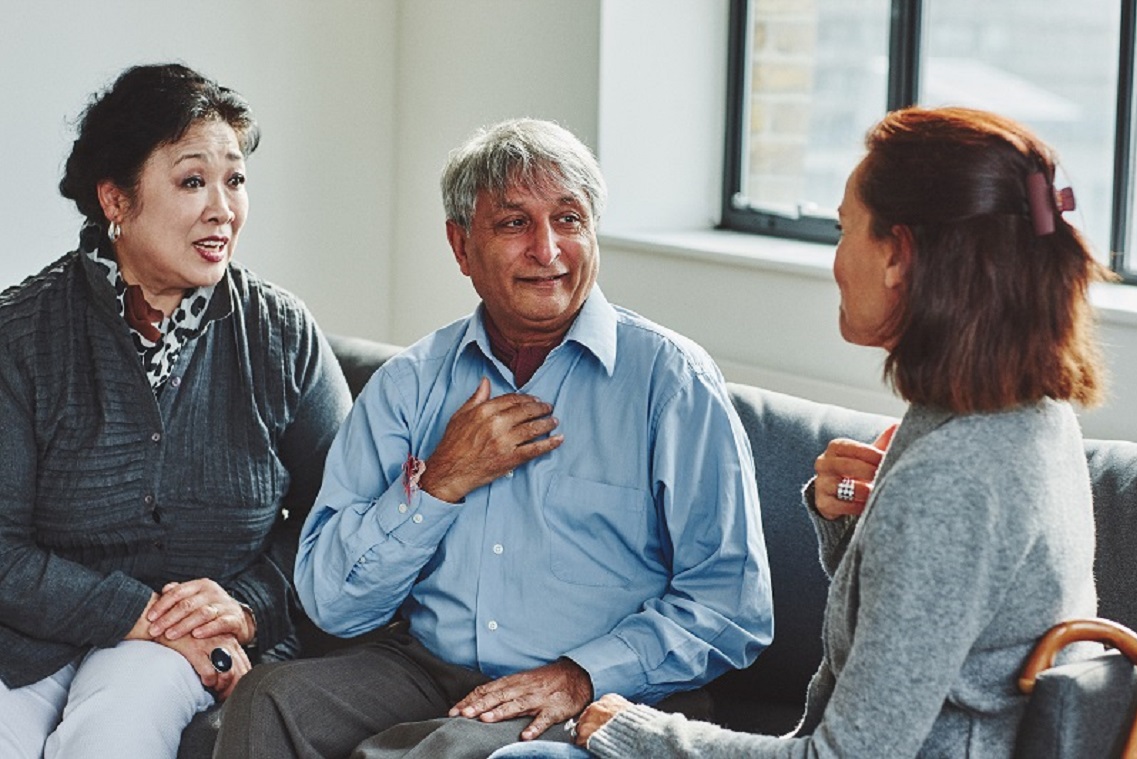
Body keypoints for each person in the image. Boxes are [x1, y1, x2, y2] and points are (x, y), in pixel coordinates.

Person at [493, 106, 1108, 758]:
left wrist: (630, 728)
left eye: (845, 230)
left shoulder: (952, 478)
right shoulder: (1028, 421)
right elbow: (931, 641)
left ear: (898, 254)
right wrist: (849, 526)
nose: (836, 261)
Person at [212, 118, 773, 759]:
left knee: (439, 753)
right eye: (514, 224)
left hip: (601, 690)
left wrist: (583, 674)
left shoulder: (670, 381)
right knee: (269, 701)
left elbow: (732, 605)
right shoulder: (410, 383)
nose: (548, 250)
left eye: (569, 219)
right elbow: (333, 604)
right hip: (426, 666)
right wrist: (439, 485)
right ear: (461, 246)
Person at [0, 63, 352, 758]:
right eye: (193, 181)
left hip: (185, 650)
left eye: (236, 179)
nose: (224, 208)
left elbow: (340, 513)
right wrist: (141, 612)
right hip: (31, 635)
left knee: (116, 731)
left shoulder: (279, 333)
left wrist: (247, 606)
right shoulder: (21, 335)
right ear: (116, 200)